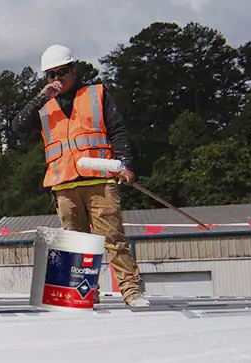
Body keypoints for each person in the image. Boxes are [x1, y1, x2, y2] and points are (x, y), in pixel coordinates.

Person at [12, 44, 150, 308]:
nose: (56, 79)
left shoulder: (96, 94)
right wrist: (42, 97)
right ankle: (86, 293)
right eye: (50, 75)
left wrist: (126, 165)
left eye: (62, 72)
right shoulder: (44, 105)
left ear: (74, 70)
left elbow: (118, 130)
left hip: (100, 179)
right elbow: (17, 126)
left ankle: (131, 290)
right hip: (64, 183)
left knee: (113, 239)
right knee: (77, 245)